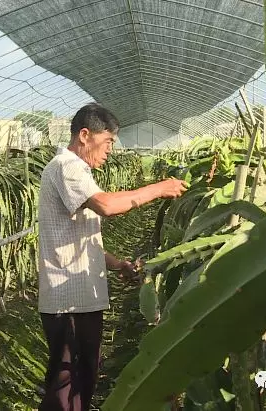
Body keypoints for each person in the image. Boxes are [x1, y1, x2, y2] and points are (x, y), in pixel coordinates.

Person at [36, 103, 188, 411]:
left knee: (80, 379)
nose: (110, 150)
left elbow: (78, 238)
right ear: (84, 135)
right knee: (66, 387)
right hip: (69, 300)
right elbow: (106, 204)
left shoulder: (76, 170)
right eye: (107, 142)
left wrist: (116, 263)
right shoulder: (68, 166)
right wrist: (159, 188)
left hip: (77, 295)